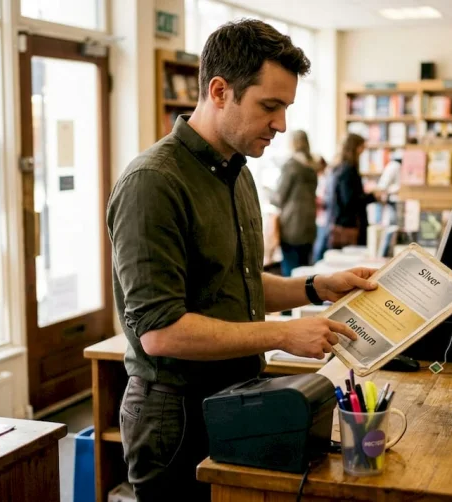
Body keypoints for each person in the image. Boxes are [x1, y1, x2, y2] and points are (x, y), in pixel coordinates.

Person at [106, 20, 378, 502]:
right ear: (219, 91)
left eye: (286, 108)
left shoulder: (237, 173)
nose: (282, 125)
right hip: (177, 415)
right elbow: (161, 331)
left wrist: (317, 287)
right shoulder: (153, 183)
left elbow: (241, 284)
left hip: (238, 394)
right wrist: (284, 334)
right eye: (269, 107)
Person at [321, 133, 384, 251]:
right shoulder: (348, 170)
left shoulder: (337, 168)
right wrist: (373, 196)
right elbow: (350, 201)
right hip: (349, 227)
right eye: (362, 148)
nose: (363, 152)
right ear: (355, 148)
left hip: (338, 223)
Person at [271, 130, 319, 276]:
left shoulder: (291, 166)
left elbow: (279, 197)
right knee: (305, 272)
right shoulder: (312, 166)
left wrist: (268, 194)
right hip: (309, 224)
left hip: (292, 225)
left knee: (290, 272)